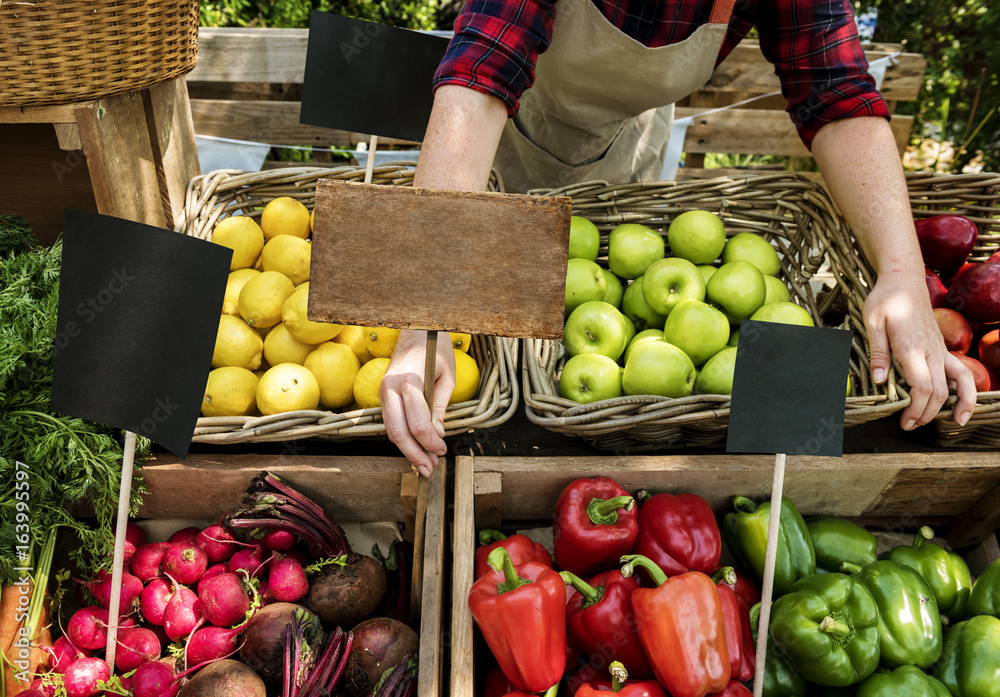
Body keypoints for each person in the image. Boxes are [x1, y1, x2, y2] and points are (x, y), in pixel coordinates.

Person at [379, 0, 978, 474]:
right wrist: (426, 315)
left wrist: (902, 277)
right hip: (506, 132)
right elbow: (483, 67)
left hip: (627, 135)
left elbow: (838, 92)